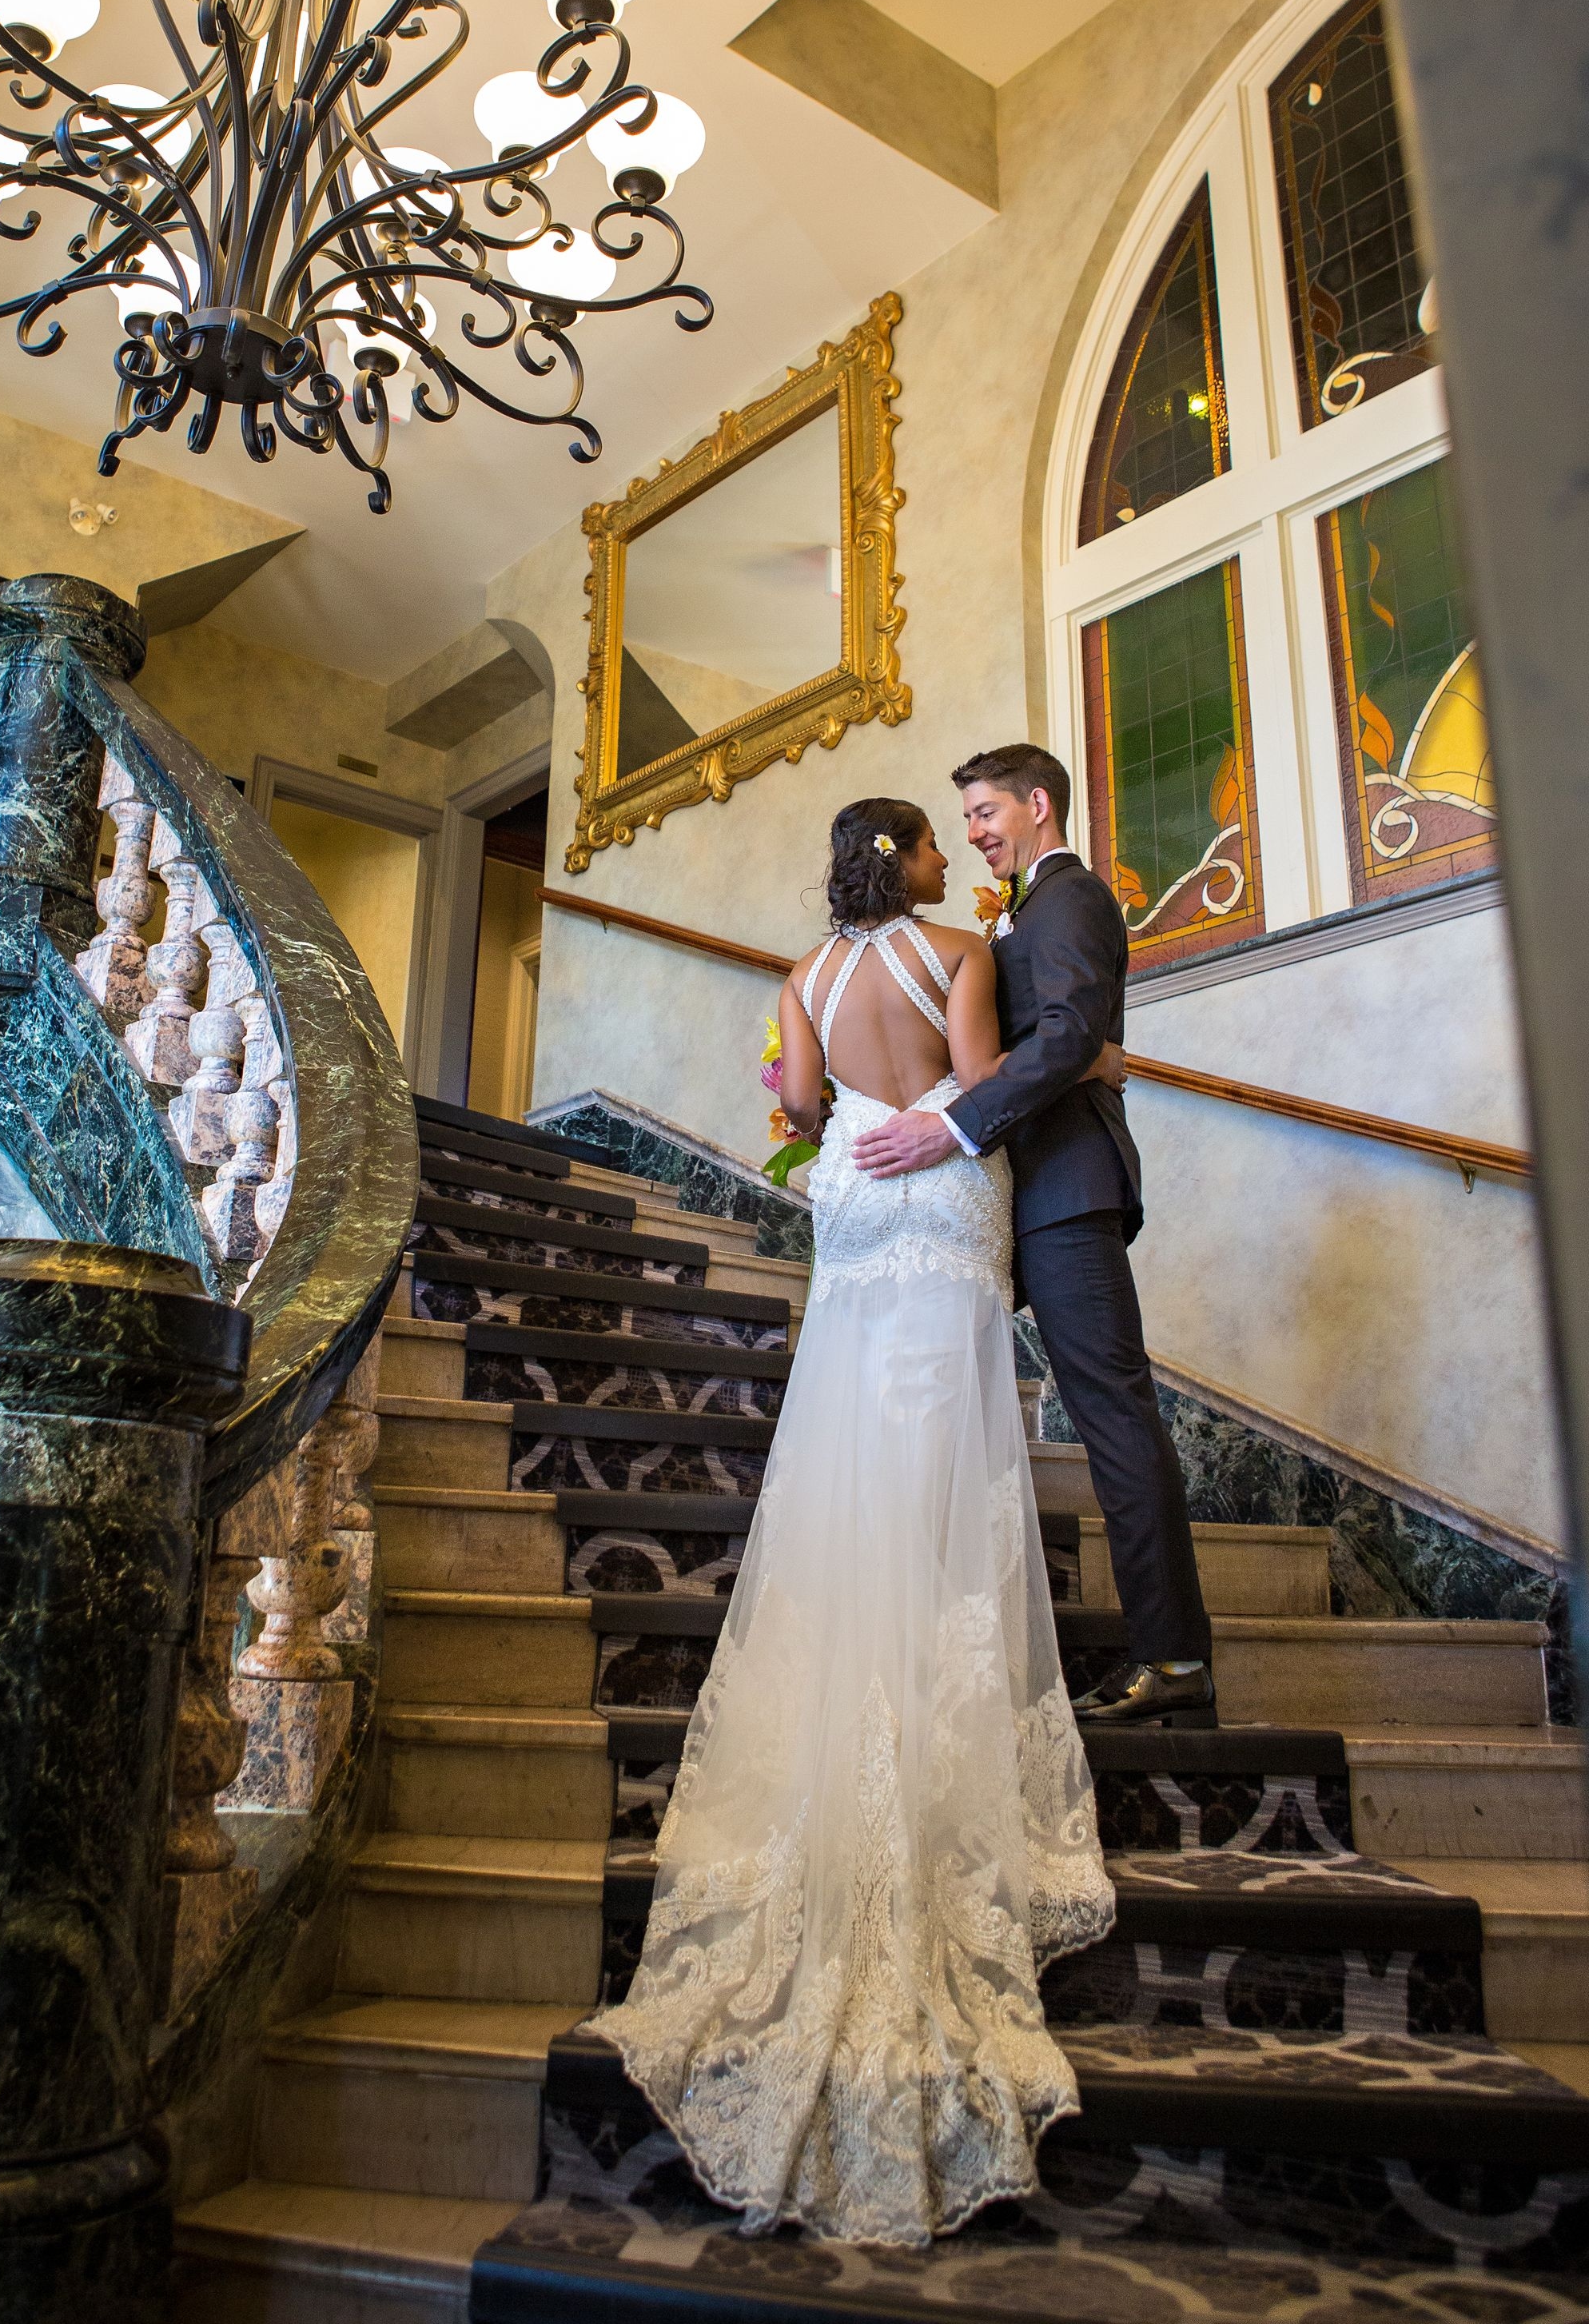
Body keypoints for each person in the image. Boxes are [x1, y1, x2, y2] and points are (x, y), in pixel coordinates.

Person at [588, 799, 1116, 2245]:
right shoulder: (957, 949)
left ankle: (844, 1698)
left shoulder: (801, 979)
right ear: (905, 860)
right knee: (948, 1459)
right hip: (936, 1203)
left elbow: (805, 1116)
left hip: (850, 1217)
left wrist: (817, 1095)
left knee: (845, 1446)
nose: (954, 855)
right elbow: (975, 1084)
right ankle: (936, 1701)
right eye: (935, 842)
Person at [852, 744, 1213, 1725]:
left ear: (1038, 806)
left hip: (1067, 1191)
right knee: (1105, 1410)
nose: (973, 833)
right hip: (1040, 1186)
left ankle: (1176, 1663)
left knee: (1112, 1414)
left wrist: (950, 1124)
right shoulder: (1029, 908)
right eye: (963, 819)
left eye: (984, 813)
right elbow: (1063, 1038)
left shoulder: (1071, 898)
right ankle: (1172, 1656)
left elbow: (1064, 1033)